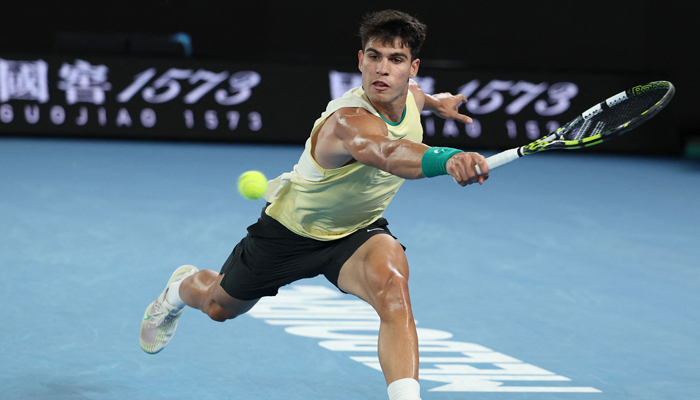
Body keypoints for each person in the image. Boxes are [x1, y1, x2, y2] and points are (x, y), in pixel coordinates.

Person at [140, 9, 488, 400]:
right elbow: (387, 152)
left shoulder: (410, 95)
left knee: (394, 290)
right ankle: (177, 290)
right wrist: (447, 158)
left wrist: (439, 104)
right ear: (360, 60)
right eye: (373, 56)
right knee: (219, 306)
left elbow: (419, 98)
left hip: (357, 233)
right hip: (289, 233)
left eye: (396, 60)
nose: (382, 70)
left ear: (412, 68)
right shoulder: (347, 121)